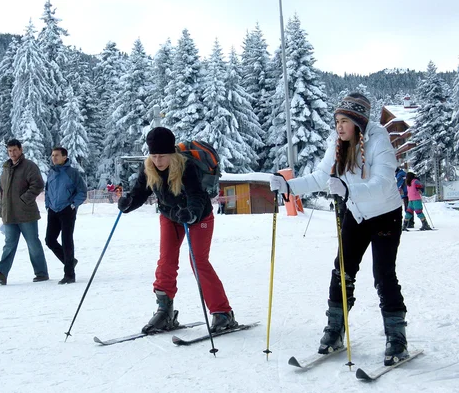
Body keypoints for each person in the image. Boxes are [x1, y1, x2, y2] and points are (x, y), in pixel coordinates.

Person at [269, 93, 409, 366]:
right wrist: (289, 187)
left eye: (344, 121)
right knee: (342, 270)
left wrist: (348, 188)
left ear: (358, 121)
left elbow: (382, 182)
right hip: (356, 213)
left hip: (385, 215)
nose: (339, 127)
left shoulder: (379, 140)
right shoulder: (337, 142)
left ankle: (396, 335)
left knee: (383, 274)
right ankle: (335, 329)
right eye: (337, 121)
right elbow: (321, 177)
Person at [117, 126, 238, 334]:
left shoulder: (186, 166)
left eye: (162, 156)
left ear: (172, 153)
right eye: (154, 155)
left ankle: (222, 312)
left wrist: (191, 213)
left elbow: (197, 195)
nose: (158, 161)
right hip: (170, 216)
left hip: (198, 217)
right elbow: (139, 192)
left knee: (198, 261)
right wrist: (128, 203)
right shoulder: (149, 168)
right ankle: (165, 311)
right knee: (166, 261)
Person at [0, 139, 49, 285]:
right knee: (9, 244)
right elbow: (3, 192)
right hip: (10, 214)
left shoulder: (29, 166)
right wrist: (2, 211)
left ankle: (41, 273)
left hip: (26, 213)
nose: (12, 153)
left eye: (15, 150)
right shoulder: (6, 168)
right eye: (9, 151)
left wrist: (24, 199)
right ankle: (1, 273)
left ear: (21, 150)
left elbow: (38, 185)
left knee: (33, 243)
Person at [45, 147, 87, 284]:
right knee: (50, 240)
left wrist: (73, 205)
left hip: (67, 210)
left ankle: (69, 274)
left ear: (64, 157)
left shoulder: (72, 173)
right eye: (52, 155)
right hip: (53, 210)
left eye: (57, 155)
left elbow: (82, 191)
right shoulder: (51, 172)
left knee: (67, 240)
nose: (54, 158)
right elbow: (47, 190)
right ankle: (69, 261)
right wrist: (47, 204)